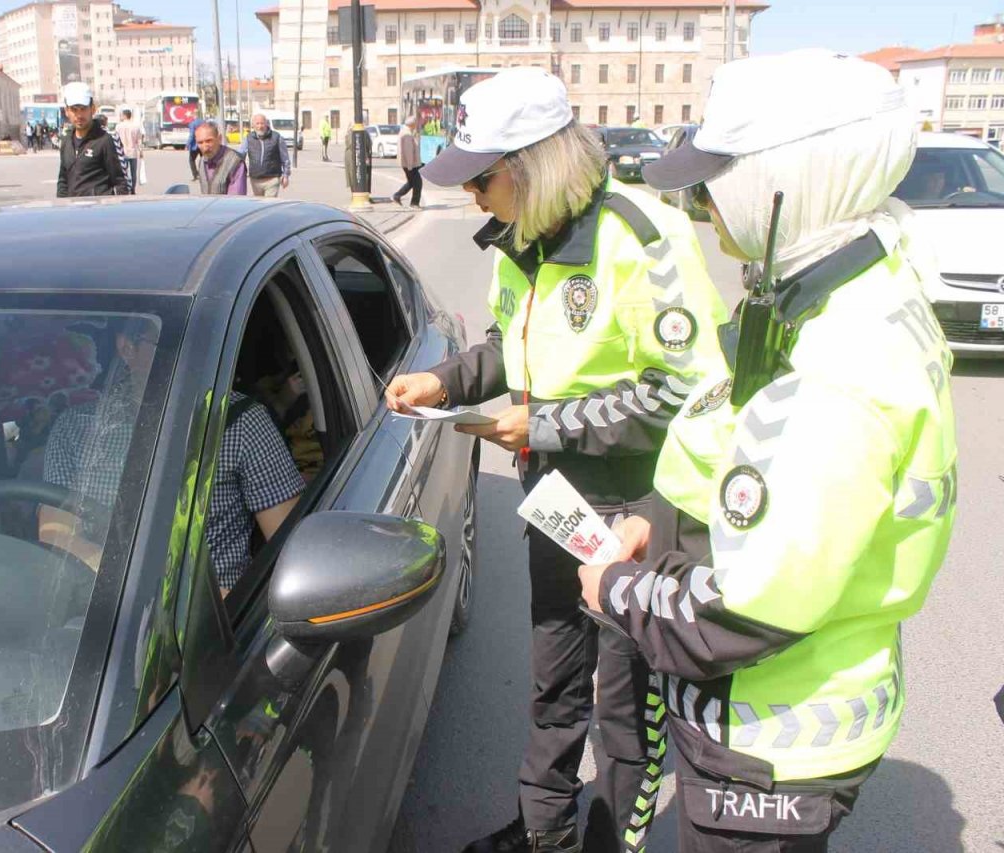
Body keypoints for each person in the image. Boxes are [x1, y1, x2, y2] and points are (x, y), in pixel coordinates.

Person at [578, 50, 957, 852]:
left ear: (785, 180)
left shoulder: (837, 373)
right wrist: (660, 517)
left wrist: (615, 590)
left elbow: (750, 608)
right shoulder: (843, 279)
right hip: (785, 704)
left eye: (717, 179)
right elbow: (745, 429)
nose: (703, 203)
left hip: (772, 734)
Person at [388, 67, 728, 853]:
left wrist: (548, 424)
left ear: (532, 166)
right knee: (554, 684)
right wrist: (447, 377)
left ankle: (607, 840)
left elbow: (687, 392)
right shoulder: (520, 244)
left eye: (481, 180)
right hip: (555, 503)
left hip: (637, 514)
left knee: (623, 710)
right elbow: (514, 349)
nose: (472, 198)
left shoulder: (642, 236)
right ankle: (546, 832)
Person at [40, 317, 304, 586]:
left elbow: (293, 551)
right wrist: (115, 578)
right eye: (170, 343)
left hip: (207, 614)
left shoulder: (240, 422)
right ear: (127, 348)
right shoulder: (76, 427)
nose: (189, 354)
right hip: (94, 609)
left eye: (198, 343)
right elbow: (55, 532)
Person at [56, 81, 129, 197]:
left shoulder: (106, 139)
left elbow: (122, 182)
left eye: (83, 109)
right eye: (74, 109)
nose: (79, 115)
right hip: (73, 211)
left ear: (92, 109)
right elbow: (63, 181)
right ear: (66, 111)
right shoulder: (66, 141)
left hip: (99, 212)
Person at [241, 113, 290, 197]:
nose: (260, 126)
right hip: (255, 180)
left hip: (272, 179)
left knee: (268, 204)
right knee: (259, 205)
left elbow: (285, 158)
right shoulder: (248, 138)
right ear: (253, 125)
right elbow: (240, 155)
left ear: (266, 124)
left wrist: (286, 175)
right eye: (257, 123)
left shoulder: (276, 137)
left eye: (262, 123)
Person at [194, 120, 247, 196]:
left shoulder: (235, 162)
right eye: (200, 143)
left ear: (219, 138)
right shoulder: (202, 161)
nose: (205, 147)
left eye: (209, 141)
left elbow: (236, 200)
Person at [392, 115, 422, 208]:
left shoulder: (407, 132)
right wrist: (410, 166)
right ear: (412, 124)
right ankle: (414, 203)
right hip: (410, 164)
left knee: (411, 182)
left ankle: (397, 196)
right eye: (416, 123)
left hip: (409, 164)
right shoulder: (407, 134)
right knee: (417, 183)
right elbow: (408, 151)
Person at [114, 109, 144, 193]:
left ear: (124, 115)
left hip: (122, 152)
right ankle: (133, 189)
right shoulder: (135, 127)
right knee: (133, 172)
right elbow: (139, 140)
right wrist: (141, 151)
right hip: (133, 152)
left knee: (124, 172)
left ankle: (124, 188)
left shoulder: (118, 126)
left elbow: (116, 139)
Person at [187, 114, 205, 179]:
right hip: (203, 144)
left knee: (191, 160)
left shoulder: (193, 124)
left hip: (195, 145)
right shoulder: (204, 122)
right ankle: (205, 173)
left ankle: (195, 175)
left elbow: (192, 135)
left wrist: (188, 144)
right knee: (204, 159)